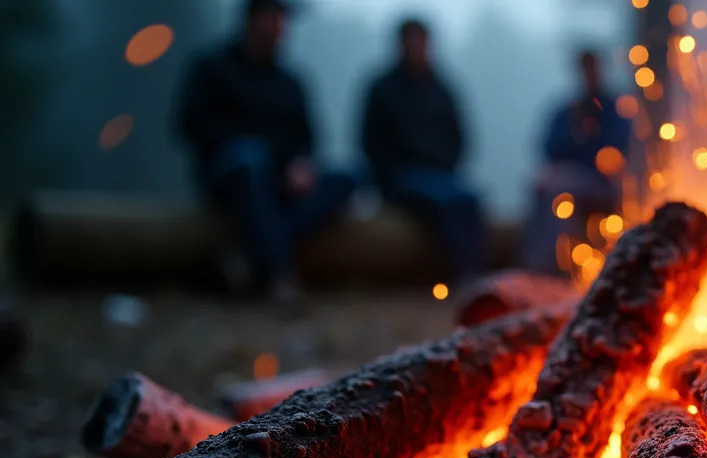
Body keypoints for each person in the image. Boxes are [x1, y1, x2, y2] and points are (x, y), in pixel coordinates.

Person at [177, 0, 356, 303]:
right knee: (250, 159)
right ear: (252, 18)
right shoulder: (213, 68)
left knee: (350, 175)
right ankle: (277, 274)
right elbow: (190, 125)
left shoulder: (290, 81)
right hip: (231, 178)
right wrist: (257, 152)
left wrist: (300, 164)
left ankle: (248, 256)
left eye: (283, 18)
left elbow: (306, 137)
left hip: (281, 182)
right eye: (274, 17)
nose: (280, 26)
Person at [361, 19, 485, 283]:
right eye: (413, 41)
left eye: (423, 41)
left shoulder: (441, 89)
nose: (419, 48)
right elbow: (370, 142)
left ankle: (473, 273)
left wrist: (446, 164)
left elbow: (460, 137)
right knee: (446, 202)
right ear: (401, 44)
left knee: (470, 199)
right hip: (400, 177)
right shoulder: (383, 89)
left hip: (441, 176)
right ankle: (460, 276)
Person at [523, 50, 631, 274]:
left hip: (604, 184)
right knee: (544, 186)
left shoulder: (615, 109)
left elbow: (618, 150)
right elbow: (550, 148)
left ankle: (550, 266)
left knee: (560, 191)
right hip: (568, 177)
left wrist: (592, 136)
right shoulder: (568, 111)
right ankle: (538, 261)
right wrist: (576, 131)